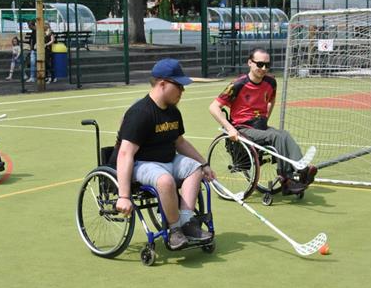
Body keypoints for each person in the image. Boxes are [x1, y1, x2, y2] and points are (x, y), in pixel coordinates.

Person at [115, 58, 215, 250]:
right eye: (178, 86)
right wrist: (124, 196)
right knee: (165, 181)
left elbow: (180, 142)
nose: (182, 91)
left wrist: (204, 163)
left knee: (195, 169)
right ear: (162, 84)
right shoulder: (140, 113)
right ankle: (175, 229)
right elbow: (125, 153)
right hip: (143, 163)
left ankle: (187, 221)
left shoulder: (173, 112)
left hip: (169, 160)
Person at [208, 48, 317, 194]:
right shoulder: (237, 84)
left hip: (260, 126)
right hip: (243, 128)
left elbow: (271, 100)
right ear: (250, 63)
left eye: (267, 65)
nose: (264, 68)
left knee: (284, 134)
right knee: (275, 136)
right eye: (260, 64)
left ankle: (300, 170)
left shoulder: (271, 82)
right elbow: (213, 107)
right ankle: (289, 177)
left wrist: (265, 118)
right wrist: (230, 129)